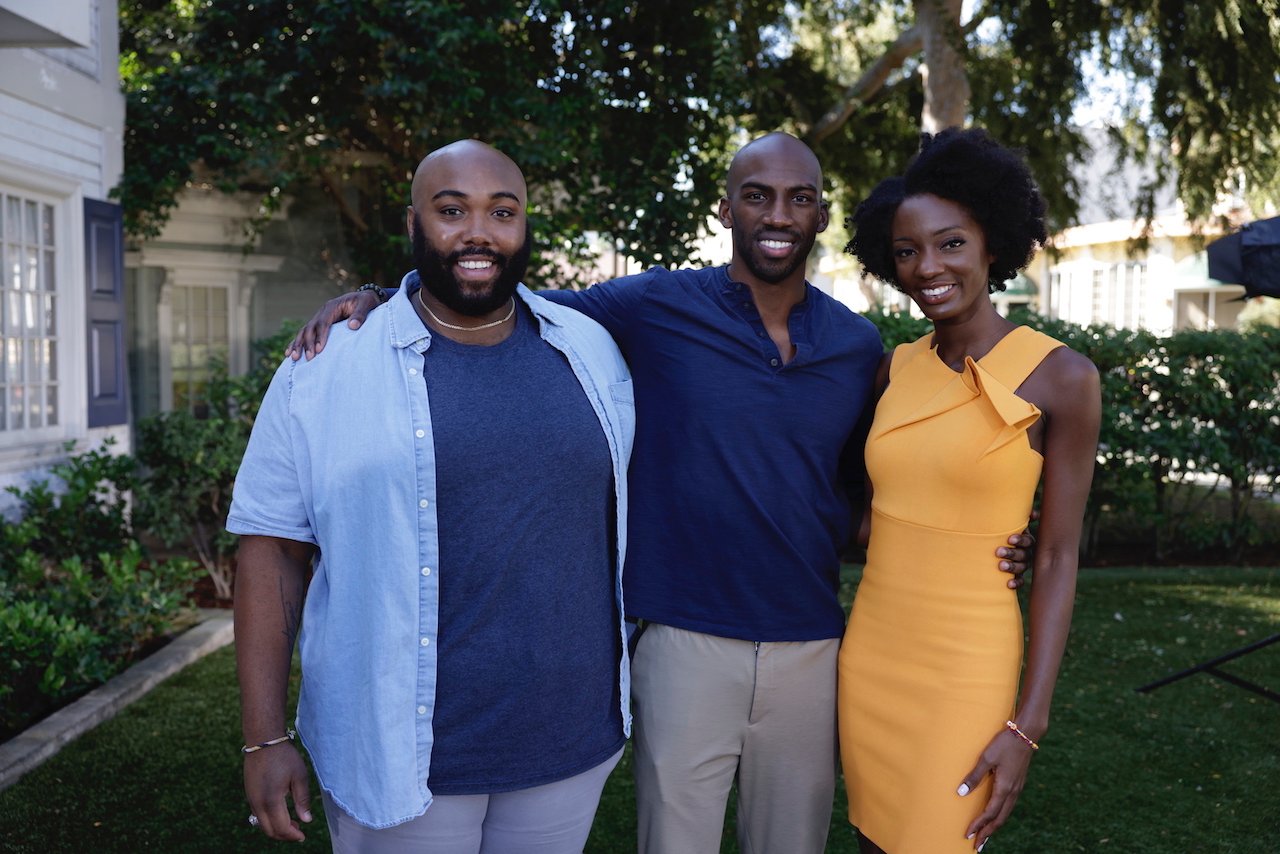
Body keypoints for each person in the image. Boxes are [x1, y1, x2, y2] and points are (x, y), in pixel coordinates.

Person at [289, 132, 1035, 854]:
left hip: (813, 643)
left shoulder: (857, 345)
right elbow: (498, 293)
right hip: (683, 642)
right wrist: (387, 293)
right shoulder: (650, 308)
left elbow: (891, 478)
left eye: (798, 199)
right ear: (725, 209)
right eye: (757, 196)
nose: (777, 215)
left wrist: (988, 534)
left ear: (821, 217)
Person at [229, 139, 635, 852]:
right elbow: (269, 549)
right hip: (392, 748)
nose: (479, 232)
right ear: (413, 226)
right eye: (452, 211)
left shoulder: (591, 349)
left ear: (526, 226)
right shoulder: (327, 367)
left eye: (501, 212)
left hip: (566, 744)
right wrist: (263, 738)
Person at [837, 127, 1100, 853]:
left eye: (951, 243)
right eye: (907, 251)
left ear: (993, 243)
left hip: (965, 664)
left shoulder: (1062, 378)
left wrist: (1028, 724)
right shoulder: (893, 368)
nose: (929, 267)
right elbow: (874, 511)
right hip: (872, 654)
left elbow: (1055, 558)